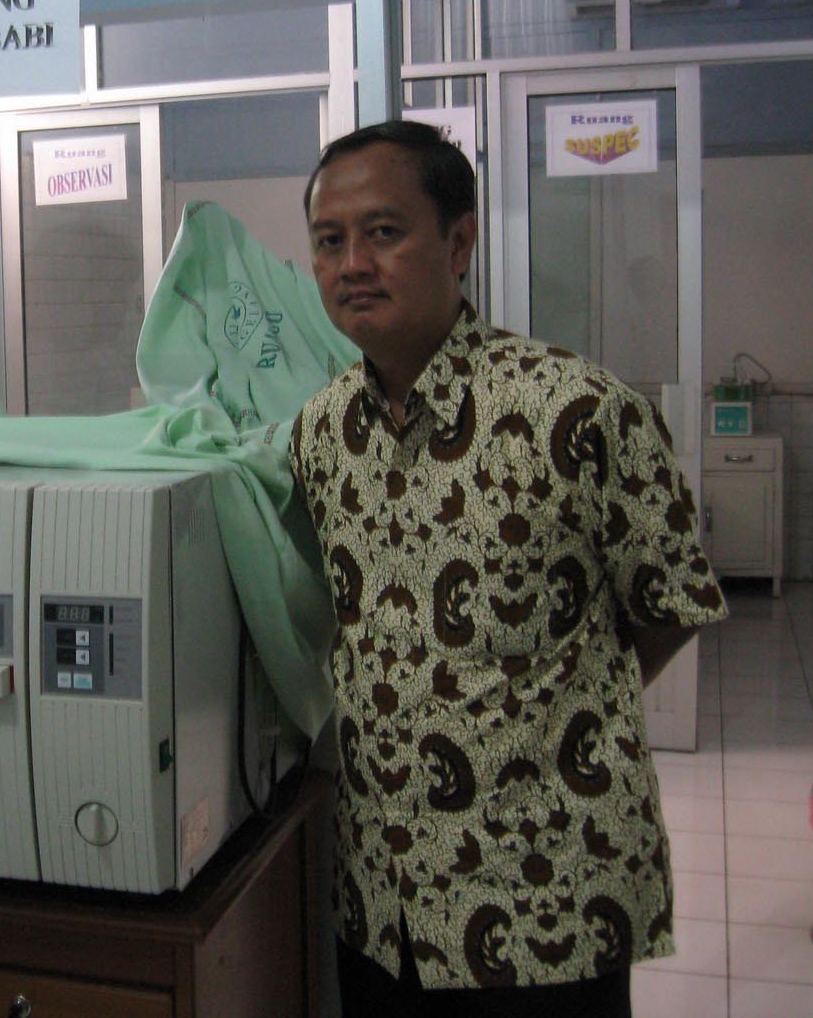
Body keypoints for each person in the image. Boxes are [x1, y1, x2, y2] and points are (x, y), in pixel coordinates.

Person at [289, 120, 727, 1017]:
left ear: (459, 243)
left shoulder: (580, 412)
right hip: (384, 896)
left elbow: (670, 603)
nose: (352, 263)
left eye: (383, 231)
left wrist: (547, 710)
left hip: (545, 898)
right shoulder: (321, 435)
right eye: (329, 242)